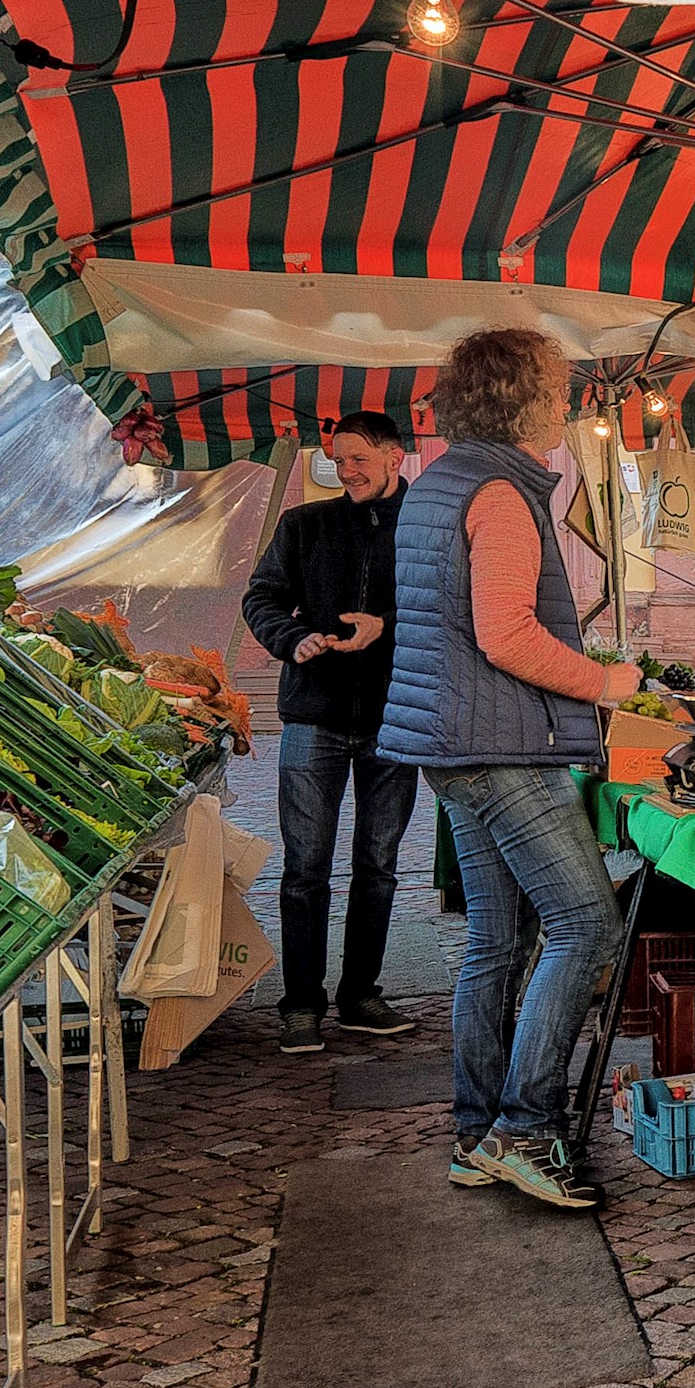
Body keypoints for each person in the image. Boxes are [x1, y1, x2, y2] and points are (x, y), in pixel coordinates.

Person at [380, 328, 637, 1208]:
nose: (566, 404)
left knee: (499, 941)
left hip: (450, 744)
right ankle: (528, 1131)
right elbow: (506, 633)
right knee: (585, 928)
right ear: (522, 400)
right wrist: (608, 683)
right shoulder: (497, 490)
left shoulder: (438, 481)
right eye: (558, 390)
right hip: (498, 749)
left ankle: (477, 1132)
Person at [239, 412, 418, 1055]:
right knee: (304, 868)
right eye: (339, 463)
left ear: (396, 456)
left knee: (379, 866)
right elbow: (260, 599)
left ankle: (361, 995)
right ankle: (301, 1004)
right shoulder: (304, 525)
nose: (346, 473)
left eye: (358, 461)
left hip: (396, 718)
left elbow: (449, 609)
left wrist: (385, 627)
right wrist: (294, 639)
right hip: (313, 714)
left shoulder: (427, 526)